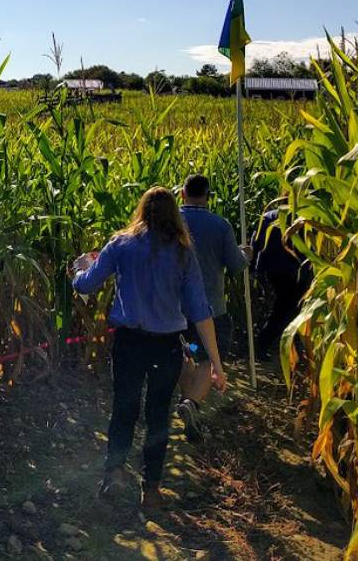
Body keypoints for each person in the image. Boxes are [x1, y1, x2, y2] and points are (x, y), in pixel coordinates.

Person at [71, 186, 227, 509]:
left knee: (124, 407)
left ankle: (114, 474)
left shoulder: (121, 244)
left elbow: (87, 283)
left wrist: (79, 270)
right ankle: (151, 488)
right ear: (175, 214)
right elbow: (200, 310)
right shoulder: (184, 253)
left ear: (141, 210)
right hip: (166, 346)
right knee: (158, 415)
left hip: (129, 341)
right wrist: (216, 364)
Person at [175, 174, 250, 442]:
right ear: (208, 196)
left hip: (178, 310)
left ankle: (187, 402)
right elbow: (236, 265)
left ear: (183, 194)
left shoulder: (171, 222)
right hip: (212, 309)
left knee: (188, 354)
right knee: (209, 358)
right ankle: (192, 404)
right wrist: (246, 254)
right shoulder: (220, 225)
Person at [252, 208, 311, 360]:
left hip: (275, 270)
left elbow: (256, 243)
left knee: (287, 309)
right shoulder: (306, 215)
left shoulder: (268, 217)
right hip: (297, 270)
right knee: (287, 310)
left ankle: (287, 347)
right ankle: (264, 345)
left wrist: (256, 268)